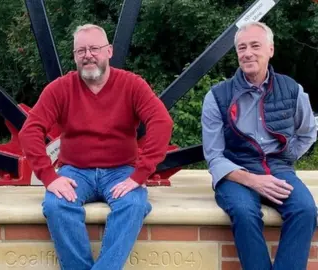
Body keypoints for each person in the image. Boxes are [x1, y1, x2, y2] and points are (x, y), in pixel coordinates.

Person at [18, 23, 173, 270]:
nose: (88, 55)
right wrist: (49, 177)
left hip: (122, 171)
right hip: (76, 171)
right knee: (56, 205)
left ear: (109, 51)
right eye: (81, 51)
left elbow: (161, 122)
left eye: (94, 48)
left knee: (134, 204)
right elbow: (30, 130)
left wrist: (139, 175)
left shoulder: (132, 85)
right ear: (75, 56)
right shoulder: (61, 88)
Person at [201, 21, 317, 270]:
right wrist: (253, 180)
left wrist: (287, 158)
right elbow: (213, 156)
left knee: (306, 210)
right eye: (242, 48)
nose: (248, 53)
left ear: (271, 50)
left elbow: (308, 132)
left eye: (255, 45)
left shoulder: (292, 89)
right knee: (244, 213)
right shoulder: (217, 96)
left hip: (278, 170)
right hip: (236, 173)